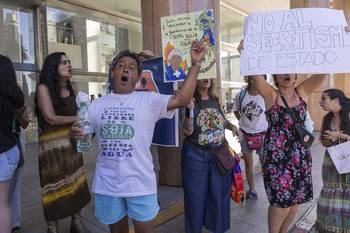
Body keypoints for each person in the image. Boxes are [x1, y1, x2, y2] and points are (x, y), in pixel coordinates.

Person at [71, 40, 206, 233]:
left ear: (138, 77)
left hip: (140, 184)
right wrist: (76, 132)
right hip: (107, 185)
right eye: (121, 66)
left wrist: (195, 64)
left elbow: (182, 99)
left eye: (131, 67)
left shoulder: (149, 100)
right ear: (113, 73)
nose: (126, 69)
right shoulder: (96, 105)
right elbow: (83, 135)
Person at [238, 40, 328, 233]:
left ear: (295, 76)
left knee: (295, 204)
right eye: (282, 70)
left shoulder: (301, 91)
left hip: (300, 158)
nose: (287, 73)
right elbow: (255, 74)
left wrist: (338, 44)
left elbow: (324, 72)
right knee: (281, 203)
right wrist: (246, 53)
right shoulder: (271, 95)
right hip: (277, 160)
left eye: (290, 70)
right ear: (276, 77)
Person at [35, 52, 91, 233]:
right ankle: (52, 229)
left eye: (69, 61)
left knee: (77, 184)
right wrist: (79, 117)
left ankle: (77, 223)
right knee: (53, 189)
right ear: (54, 67)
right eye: (64, 62)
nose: (69, 65)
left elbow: (81, 114)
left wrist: (83, 122)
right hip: (51, 148)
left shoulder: (73, 87)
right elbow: (50, 118)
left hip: (72, 144)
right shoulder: (43, 88)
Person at [182, 78, 241, 233]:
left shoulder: (214, 99)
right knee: (195, 198)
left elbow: (221, 120)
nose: (205, 78)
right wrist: (189, 110)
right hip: (195, 156)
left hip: (219, 155)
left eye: (208, 74)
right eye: (200, 75)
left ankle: (218, 229)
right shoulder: (189, 100)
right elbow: (187, 131)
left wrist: (233, 127)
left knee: (219, 196)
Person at [316, 89, 350, 233]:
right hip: (332, 163)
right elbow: (324, 142)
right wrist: (330, 140)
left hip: (348, 163)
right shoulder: (327, 119)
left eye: (324, 99)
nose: (320, 102)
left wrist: (343, 137)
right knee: (330, 194)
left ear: (335, 101)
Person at [0, 55, 25, 233]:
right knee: (3, 204)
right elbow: (23, 122)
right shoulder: (15, 95)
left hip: (3, 153)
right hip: (10, 150)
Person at [233, 75, 268, 200]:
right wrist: (243, 123)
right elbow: (236, 110)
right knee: (248, 163)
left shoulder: (266, 96)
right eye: (258, 78)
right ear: (251, 80)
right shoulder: (241, 95)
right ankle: (252, 190)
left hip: (263, 135)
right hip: (245, 135)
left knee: (266, 164)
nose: (261, 81)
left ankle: (271, 189)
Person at [138, 50, 161, 183]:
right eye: (141, 58)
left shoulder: (156, 79)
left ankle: (154, 197)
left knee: (153, 165)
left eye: (147, 59)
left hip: (150, 132)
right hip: (134, 131)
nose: (143, 61)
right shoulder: (131, 76)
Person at [9, 100, 30, 233]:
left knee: (14, 188)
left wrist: (17, 113)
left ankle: (14, 221)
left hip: (14, 146)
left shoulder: (16, 98)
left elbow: (25, 123)